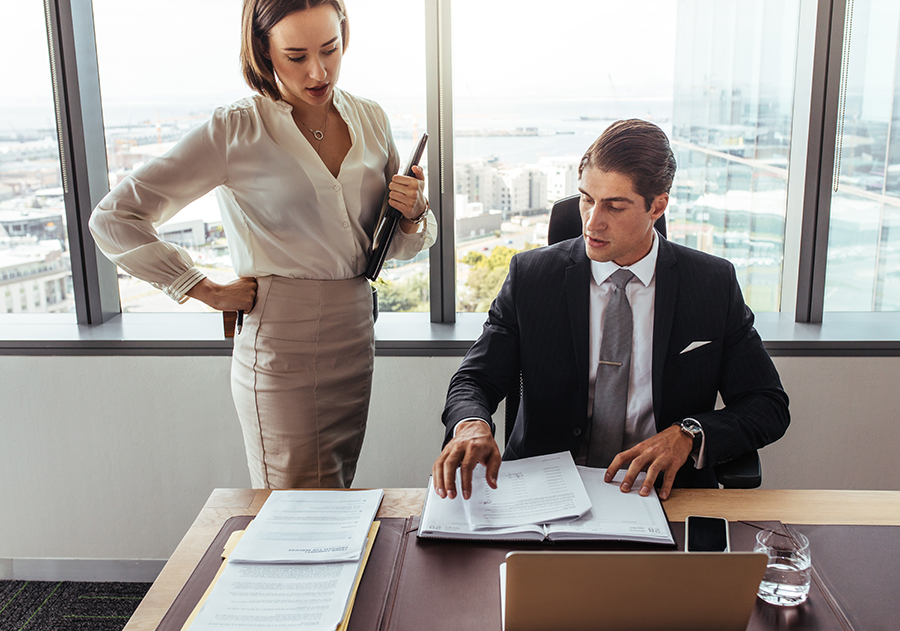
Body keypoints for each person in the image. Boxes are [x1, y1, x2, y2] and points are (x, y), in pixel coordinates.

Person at [90, 0, 435, 490]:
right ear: (262, 50)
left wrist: (414, 210)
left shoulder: (372, 119)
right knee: (292, 509)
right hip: (282, 345)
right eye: (296, 56)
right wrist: (200, 287)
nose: (318, 71)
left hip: (355, 332)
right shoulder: (235, 129)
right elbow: (114, 217)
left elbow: (389, 246)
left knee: (334, 493)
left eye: (330, 49)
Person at [432, 119, 788, 502]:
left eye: (615, 206)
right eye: (587, 198)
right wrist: (471, 424)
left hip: (662, 493)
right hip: (544, 493)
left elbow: (767, 404)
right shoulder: (532, 277)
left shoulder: (711, 284)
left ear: (658, 206)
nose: (592, 221)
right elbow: (475, 380)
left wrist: (689, 433)